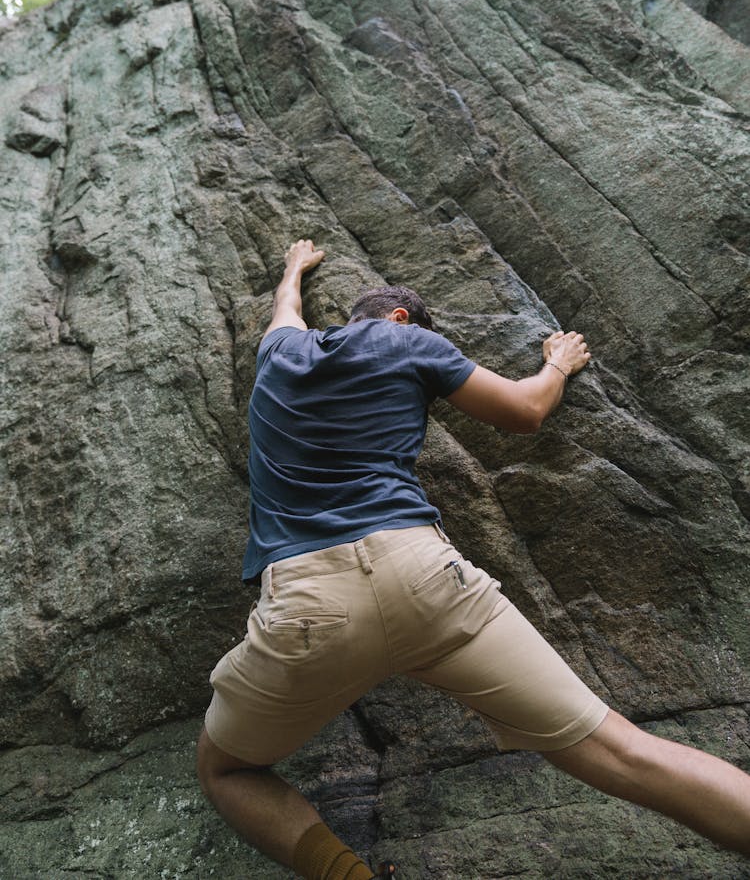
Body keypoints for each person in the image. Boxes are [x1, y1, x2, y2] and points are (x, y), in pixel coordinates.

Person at [197, 240, 750, 878]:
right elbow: (523, 412)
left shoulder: (281, 352)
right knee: (623, 750)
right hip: (427, 577)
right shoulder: (406, 342)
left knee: (225, 768)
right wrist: (559, 364)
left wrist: (293, 268)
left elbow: (286, 311)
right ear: (401, 319)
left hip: (306, 604)